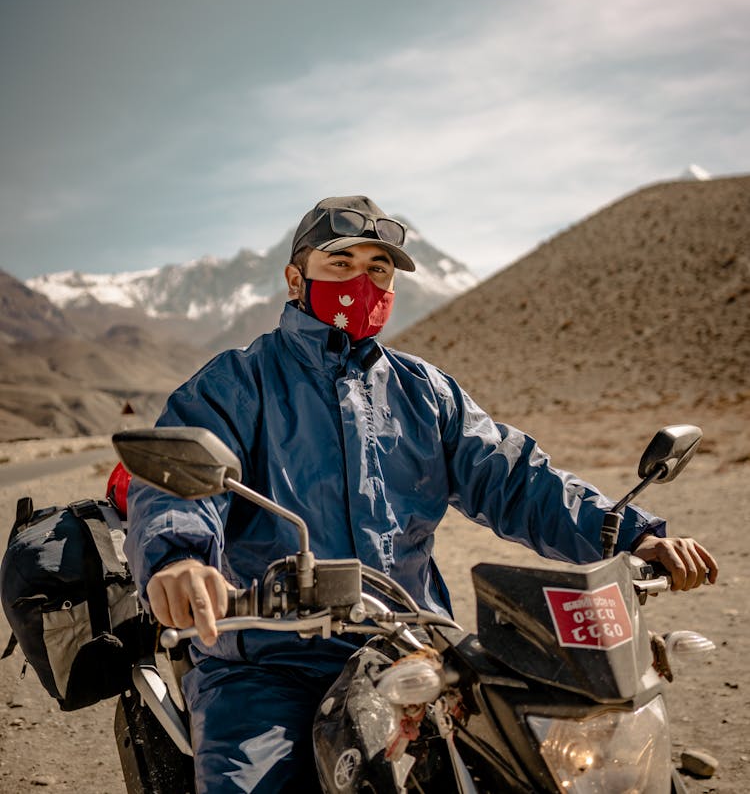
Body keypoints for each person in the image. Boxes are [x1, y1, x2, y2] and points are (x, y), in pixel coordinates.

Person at [125, 194, 718, 794]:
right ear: (294, 278)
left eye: (378, 268)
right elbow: (176, 480)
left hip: (409, 645)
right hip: (270, 660)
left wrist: (630, 533)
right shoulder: (237, 383)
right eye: (341, 264)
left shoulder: (423, 391)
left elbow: (517, 479)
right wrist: (180, 561)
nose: (362, 281)